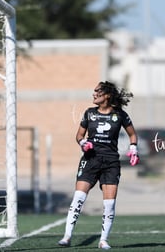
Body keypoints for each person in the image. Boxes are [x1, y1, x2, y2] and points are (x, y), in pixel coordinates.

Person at [58, 81, 139, 250]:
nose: (93, 94)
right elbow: (79, 135)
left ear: (107, 95)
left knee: (109, 204)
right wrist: (83, 143)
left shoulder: (120, 115)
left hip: (111, 163)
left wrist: (133, 149)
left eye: (97, 92)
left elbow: (132, 134)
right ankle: (67, 236)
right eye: (94, 91)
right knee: (79, 197)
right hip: (90, 160)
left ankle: (103, 240)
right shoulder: (89, 114)